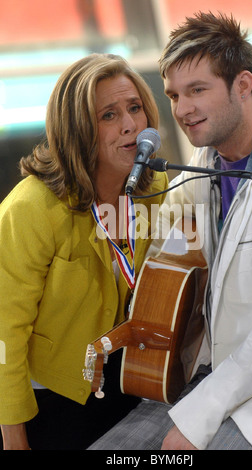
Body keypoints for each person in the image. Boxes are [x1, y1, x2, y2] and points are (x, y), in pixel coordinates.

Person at [88, 12, 252, 451]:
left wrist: (198, 418)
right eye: (173, 95)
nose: (182, 110)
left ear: (242, 85)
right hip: (212, 369)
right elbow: (168, 246)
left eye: (198, 90)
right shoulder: (207, 160)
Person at [0, 53, 168, 450]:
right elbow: (4, 335)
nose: (131, 126)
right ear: (76, 129)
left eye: (134, 108)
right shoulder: (29, 209)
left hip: (126, 380)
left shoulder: (154, 186)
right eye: (108, 115)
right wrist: (14, 439)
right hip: (46, 398)